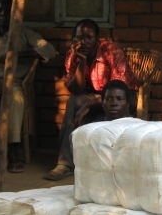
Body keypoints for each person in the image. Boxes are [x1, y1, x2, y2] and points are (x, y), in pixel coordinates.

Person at [0, 0, 56, 173]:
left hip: (13, 83)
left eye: (7, 12)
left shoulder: (24, 34)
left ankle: (14, 149)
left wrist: (18, 55)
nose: (3, 15)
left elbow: (50, 50)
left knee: (16, 99)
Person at [44, 19, 139, 181]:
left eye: (89, 37)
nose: (84, 42)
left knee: (105, 102)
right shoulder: (73, 54)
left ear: (97, 38)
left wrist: (89, 105)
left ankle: (109, 163)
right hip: (92, 95)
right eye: (80, 37)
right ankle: (66, 163)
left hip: (120, 96)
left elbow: (118, 89)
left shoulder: (111, 51)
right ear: (74, 38)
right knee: (73, 102)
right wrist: (81, 61)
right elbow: (75, 90)